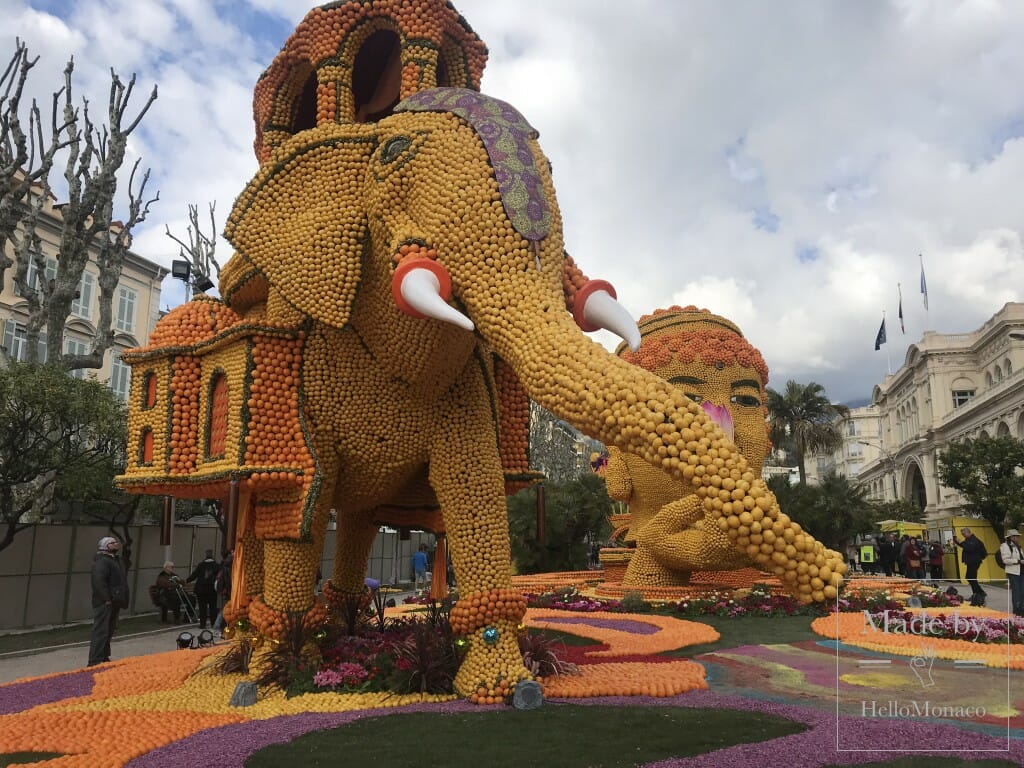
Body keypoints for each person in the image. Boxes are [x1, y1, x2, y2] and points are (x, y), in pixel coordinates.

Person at [88, 536, 128, 667]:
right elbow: (99, 581)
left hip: (114, 600)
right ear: (105, 546)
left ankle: (104, 657)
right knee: (101, 631)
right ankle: (94, 661)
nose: (116, 544)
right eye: (113, 543)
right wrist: (106, 599)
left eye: (116, 542)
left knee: (109, 630)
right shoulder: (102, 561)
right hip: (104, 602)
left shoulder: (115, 560)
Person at [954, 527, 988, 606]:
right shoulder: (969, 540)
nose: (963, 536)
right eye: (962, 534)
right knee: (970, 577)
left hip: (974, 561)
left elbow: (970, 548)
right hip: (971, 562)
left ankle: (979, 593)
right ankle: (977, 593)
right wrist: (957, 541)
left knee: (971, 577)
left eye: (964, 534)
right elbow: (966, 546)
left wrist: (961, 542)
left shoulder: (973, 540)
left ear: (968, 532)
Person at [186, 550, 220, 629]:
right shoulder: (217, 566)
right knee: (213, 608)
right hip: (212, 590)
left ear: (205, 556)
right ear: (212, 556)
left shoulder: (201, 565)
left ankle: (202, 624)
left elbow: (194, 575)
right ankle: (213, 623)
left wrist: (186, 581)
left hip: (201, 590)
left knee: (202, 608)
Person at [998, 529, 1023, 616]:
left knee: (1022, 591)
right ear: (1012, 537)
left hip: (1021, 571)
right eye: (1017, 536)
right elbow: (1005, 560)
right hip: (1013, 572)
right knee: (1016, 591)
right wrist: (1019, 561)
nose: (1018, 538)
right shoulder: (1005, 546)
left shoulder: (1017, 546)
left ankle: (1022, 608)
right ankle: (1017, 610)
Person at [212, 549, 233, 633]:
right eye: (231, 552)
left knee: (223, 610)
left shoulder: (222, 566)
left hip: (222, 591)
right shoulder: (228, 566)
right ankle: (217, 626)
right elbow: (228, 581)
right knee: (223, 610)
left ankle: (218, 626)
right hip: (225, 592)